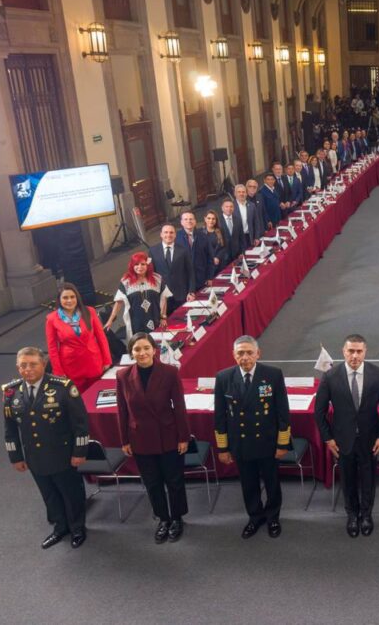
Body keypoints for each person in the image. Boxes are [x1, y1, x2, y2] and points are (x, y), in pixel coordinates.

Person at [4, 346, 90, 549]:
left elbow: (80, 423)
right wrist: (15, 456)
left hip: (63, 454)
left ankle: (77, 528)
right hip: (34, 456)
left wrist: (80, 451)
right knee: (49, 494)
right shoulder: (11, 392)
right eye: (23, 365)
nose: (28, 369)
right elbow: (10, 429)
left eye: (33, 364)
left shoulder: (63, 387)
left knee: (71, 493)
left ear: (43, 364)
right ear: (17, 368)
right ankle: (60, 527)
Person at [314, 334, 379, 538]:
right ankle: (351, 515)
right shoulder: (330, 376)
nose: (355, 355)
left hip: (370, 439)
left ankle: (366, 515)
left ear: (365, 352)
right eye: (351, 351)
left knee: (368, 479)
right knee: (347, 480)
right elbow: (319, 411)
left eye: (359, 351)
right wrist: (328, 438)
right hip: (342, 440)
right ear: (343, 351)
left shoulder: (378, 374)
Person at [213, 336, 291, 539]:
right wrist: (223, 448)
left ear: (258, 354)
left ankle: (273, 517)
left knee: (272, 483)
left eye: (249, 352)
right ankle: (255, 517)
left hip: (267, 442)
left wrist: (283, 443)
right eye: (240, 353)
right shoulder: (223, 377)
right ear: (234, 355)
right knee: (248, 484)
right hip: (241, 443)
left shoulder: (273, 375)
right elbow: (220, 416)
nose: (245, 357)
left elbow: (283, 412)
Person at [116, 332, 189, 543]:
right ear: (131, 353)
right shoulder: (123, 375)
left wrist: (183, 437)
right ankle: (163, 519)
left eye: (146, 348)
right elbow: (122, 410)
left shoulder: (169, 372)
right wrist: (124, 440)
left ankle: (177, 518)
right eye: (137, 349)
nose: (142, 353)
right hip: (140, 438)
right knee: (152, 482)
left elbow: (180, 407)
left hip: (168, 435)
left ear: (154, 350)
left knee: (174, 480)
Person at [45, 283, 112, 392]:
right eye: (65, 297)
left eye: (72, 297)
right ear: (59, 300)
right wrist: (58, 371)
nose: (69, 300)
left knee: (96, 394)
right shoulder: (52, 319)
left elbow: (101, 337)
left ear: (77, 298)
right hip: (71, 366)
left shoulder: (89, 311)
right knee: (76, 397)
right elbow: (52, 348)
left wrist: (107, 360)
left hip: (93, 362)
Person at [105, 252, 171, 339]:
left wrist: (163, 317)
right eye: (136, 264)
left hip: (155, 319)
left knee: (157, 342)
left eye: (143, 264)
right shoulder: (126, 281)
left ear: (147, 265)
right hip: (136, 322)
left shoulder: (157, 279)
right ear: (132, 266)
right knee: (139, 343)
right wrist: (110, 320)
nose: (140, 267)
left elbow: (164, 298)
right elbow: (119, 302)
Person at [149, 223, 196, 315]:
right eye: (166, 232)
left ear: (175, 235)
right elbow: (152, 274)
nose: (168, 235)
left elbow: (190, 272)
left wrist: (191, 291)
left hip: (181, 295)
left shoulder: (183, 250)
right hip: (163, 296)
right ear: (161, 234)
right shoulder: (153, 251)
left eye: (171, 232)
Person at [202, 210, 227, 280]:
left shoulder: (220, 231)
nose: (211, 220)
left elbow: (224, 247)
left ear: (216, 220)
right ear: (205, 219)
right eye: (209, 218)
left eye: (213, 219)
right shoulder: (200, 232)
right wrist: (211, 259)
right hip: (206, 265)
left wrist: (217, 257)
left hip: (219, 263)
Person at [218, 199, 245, 265]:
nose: (229, 209)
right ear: (222, 208)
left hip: (237, 256)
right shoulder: (217, 221)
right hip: (223, 258)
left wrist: (242, 252)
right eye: (226, 207)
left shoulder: (238, 219)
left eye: (231, 206)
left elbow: (241, 238)